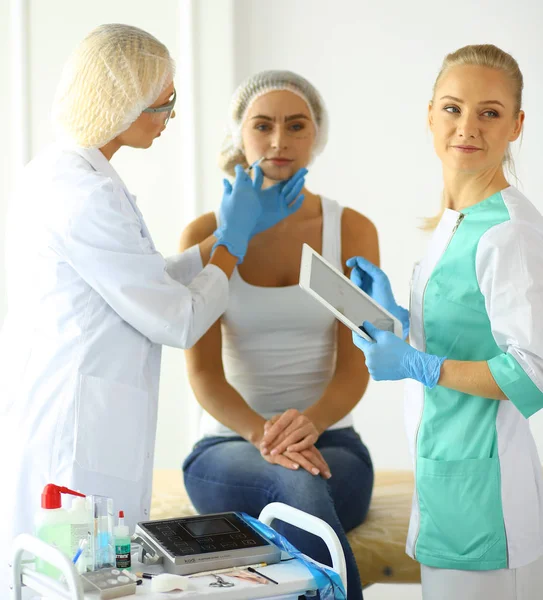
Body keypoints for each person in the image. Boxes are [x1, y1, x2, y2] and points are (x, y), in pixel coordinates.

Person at [0, 25, 305, 590]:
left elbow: (137, 278)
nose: (169, 117)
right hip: (74, 436)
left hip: (80, 412)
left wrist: (217, 245)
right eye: (163, 104)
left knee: (84, 579)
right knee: (82, 583)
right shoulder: (83, 194)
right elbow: (177, 319)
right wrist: (233, 245)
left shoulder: (77, 173)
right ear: (122, 103)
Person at [349, 44, 543, 600]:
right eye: (454, 109)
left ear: (516, 126)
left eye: (490, 112)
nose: (468, 127)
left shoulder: (509, 233)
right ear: (430, 114)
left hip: (487, 494)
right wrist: (402, 319)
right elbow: (471, 331)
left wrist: (419, 363)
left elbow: (531, 374)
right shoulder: (455, 221)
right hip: (448, 476)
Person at [180, 70, 376, 600]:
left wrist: (307, 425)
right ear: (240, 134)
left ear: (318, 135)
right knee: (295, 481)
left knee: (303, 478)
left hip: (333, 442)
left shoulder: (351, 229)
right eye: (262, 125)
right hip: (228, 444)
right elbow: (202, 375)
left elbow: (355, 367)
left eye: (296, 126)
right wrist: (263, 435)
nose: (278, 141)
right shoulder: (206, 235)